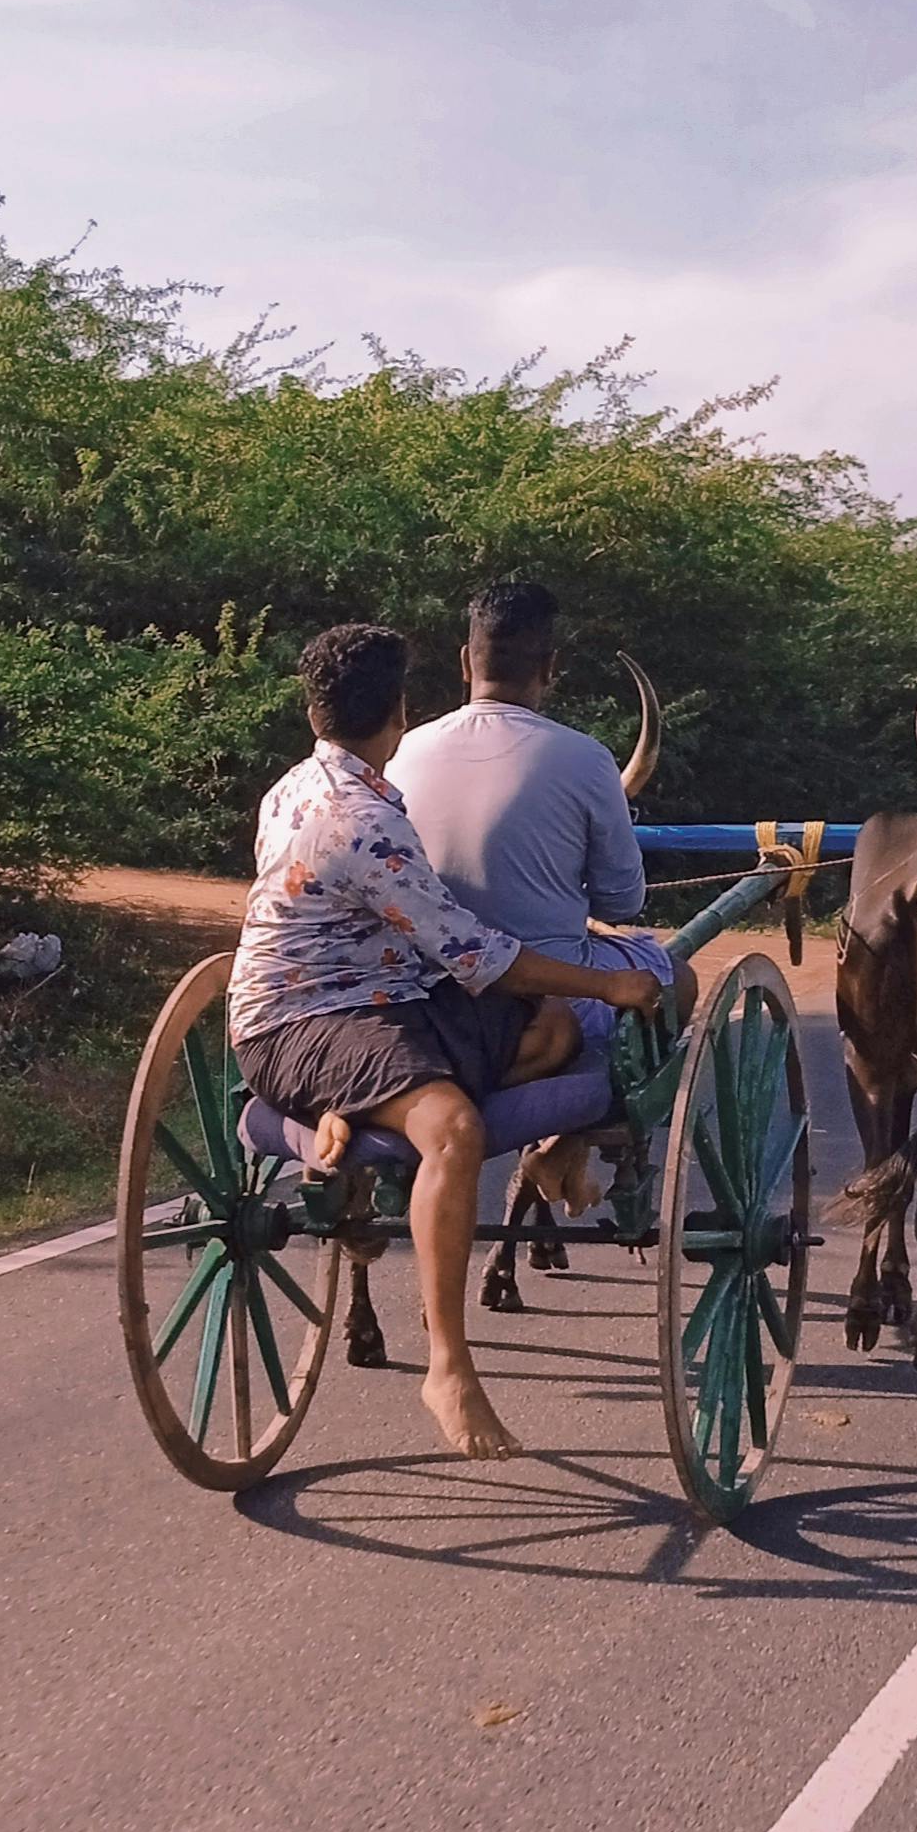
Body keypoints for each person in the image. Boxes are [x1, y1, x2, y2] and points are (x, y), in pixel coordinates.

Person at [230, 622, 663, 1464]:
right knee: (455, 1127)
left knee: (551, 1027)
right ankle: (449, 1364)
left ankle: (383, 1129)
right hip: (311, 1023)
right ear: (399, 709)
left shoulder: (289, 789)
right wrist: (611, 980)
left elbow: (439, 954)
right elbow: (476, 953)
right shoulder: (364, 821)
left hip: (381, 1001)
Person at [388, 579, 676, 1215]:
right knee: (672, 972)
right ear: (551, 668)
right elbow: (623, 902)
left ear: (466, 662)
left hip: (420, 994)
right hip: (540, 992)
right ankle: (573, 1140)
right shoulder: (586, 759)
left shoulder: (401, 751)